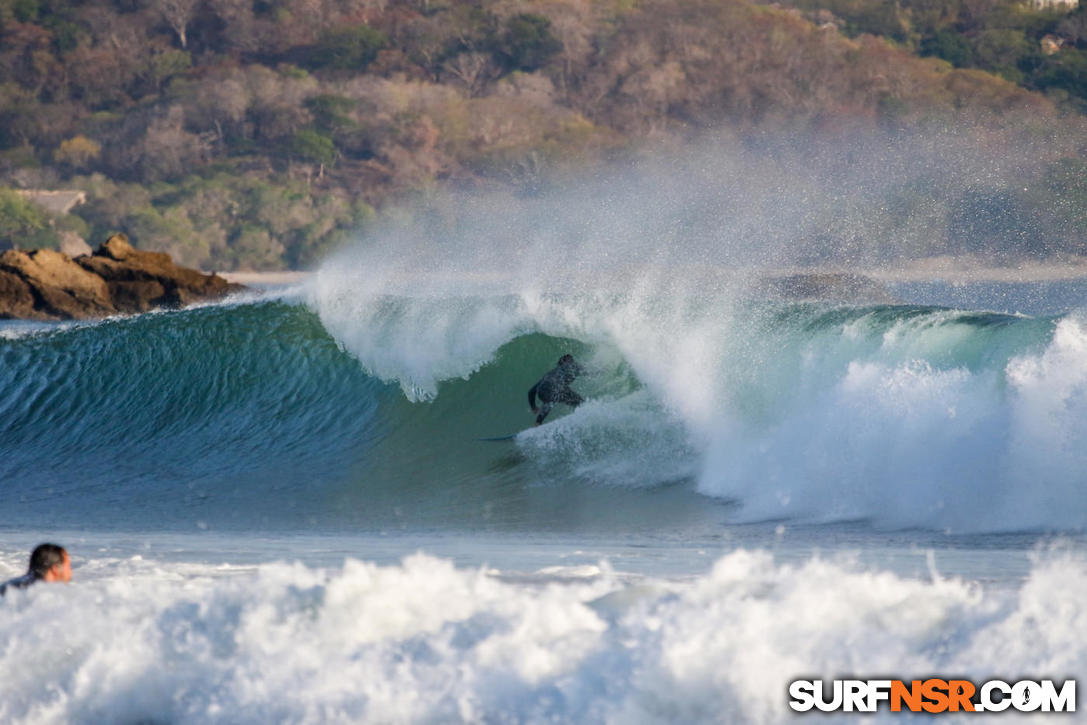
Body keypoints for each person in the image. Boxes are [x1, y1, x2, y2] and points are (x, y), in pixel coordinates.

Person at [528, 354, 585, 425]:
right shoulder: (572, 366)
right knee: (580, 403)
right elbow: (589, 372)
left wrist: (534, 407)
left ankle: (538, 422)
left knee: (550, 400)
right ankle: (581, 417)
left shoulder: (551, 373)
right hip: (555, 388)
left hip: (541, 390)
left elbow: (531, 392)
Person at [0, 543, 71, 596]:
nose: (70, 572)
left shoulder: (7, 587)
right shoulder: (49, 596)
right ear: (55, 569)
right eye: (68, 566)